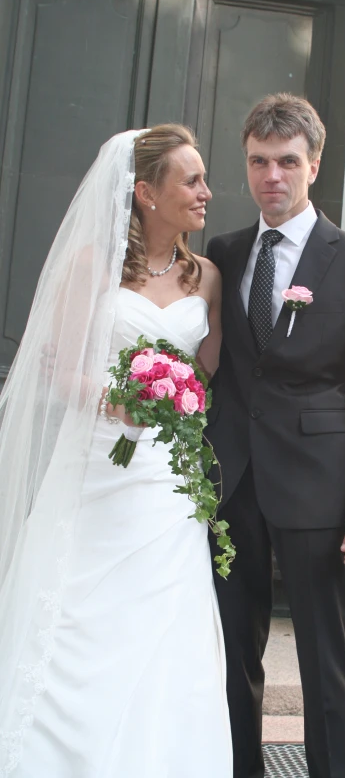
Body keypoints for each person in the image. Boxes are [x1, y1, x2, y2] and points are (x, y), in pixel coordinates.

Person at [0, 125, 232, 777]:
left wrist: (185, 394)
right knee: (84, 614)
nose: (206, 192)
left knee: (165, 620)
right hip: (102, 465)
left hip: (166, 477)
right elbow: (62, 370)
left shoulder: (207, 276)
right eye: (191, 180)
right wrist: (115, 400)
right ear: (145, 194)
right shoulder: (93, 269)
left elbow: (209, 375)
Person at [206, 94, 345, 778]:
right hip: (231, 483)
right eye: (259, 161)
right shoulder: (224, 253)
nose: (272, 177)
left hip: (320, 488)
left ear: (314, 165)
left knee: (326, 658)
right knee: (230, 652)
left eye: (288, 161)